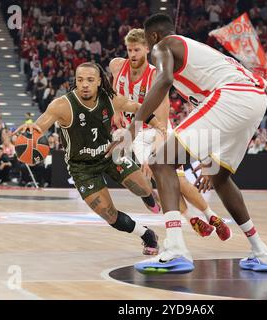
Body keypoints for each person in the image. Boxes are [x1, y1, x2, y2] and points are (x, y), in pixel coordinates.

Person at [107, 14, 267, 273]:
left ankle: (175, 250)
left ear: (153, 38)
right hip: (255, 99)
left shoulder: (165, 46)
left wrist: (131, 129)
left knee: (160, 161)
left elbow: (162, 82)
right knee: (219, 177)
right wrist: (209, 158)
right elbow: (215, 116)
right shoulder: (196, 57)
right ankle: (260, 252)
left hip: (233, 95)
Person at [13, 62, 163, 255]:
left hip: (109, 154)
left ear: (99, 81)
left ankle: (148, 195)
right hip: (81, 167)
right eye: (80, 80)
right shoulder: (62, 105)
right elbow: (40, 125)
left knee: (144, 187)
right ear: (75, 81)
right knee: (109, 215)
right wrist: (31, 128)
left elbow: (138, 108)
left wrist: (159, 124)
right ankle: (147, 235)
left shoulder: (110, 99)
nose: (84, 84)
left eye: (90, 80)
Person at [109, 28, 230, 239]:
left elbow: (162, 114)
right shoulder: (117, 65)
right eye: (129, 50)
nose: (133, 54)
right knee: (166, 181)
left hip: (158, 129)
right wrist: (117, 110)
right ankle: (192, 218)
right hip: (136, 133)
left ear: (147, 49)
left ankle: (211, 216)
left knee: (178, 180)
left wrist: (157, 145)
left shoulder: (156, 74)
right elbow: (114, 91)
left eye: (137, 50)